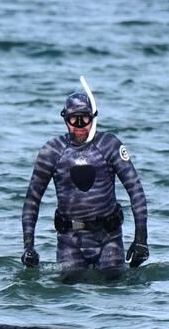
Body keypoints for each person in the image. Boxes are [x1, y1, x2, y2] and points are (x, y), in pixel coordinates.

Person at [21, 80, 148, 276]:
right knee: (69, 295)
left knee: (113, 288)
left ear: (93, 118)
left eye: (84, 119)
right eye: (74, 119)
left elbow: (135, 190)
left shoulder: (110, 145)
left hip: (109, 238)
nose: (79, 125)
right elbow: (32, 200)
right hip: (69, 240)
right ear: (65, 119)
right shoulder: (52, 151)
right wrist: (28, 247)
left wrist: (141, 239)